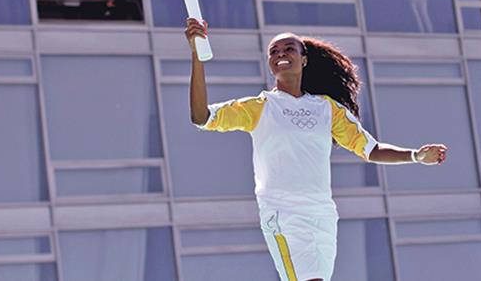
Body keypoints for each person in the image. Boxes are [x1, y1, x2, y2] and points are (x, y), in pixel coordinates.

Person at [185, 19, 448, 281]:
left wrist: (416, 155)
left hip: (322, 215)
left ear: (304, 60)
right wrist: (197, 56)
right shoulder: (259, 107)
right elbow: (201, 116)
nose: (280, 54)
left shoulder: (327, 108)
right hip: (283, 214)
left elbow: (371, 149)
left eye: (289, 49)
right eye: (274, 52)